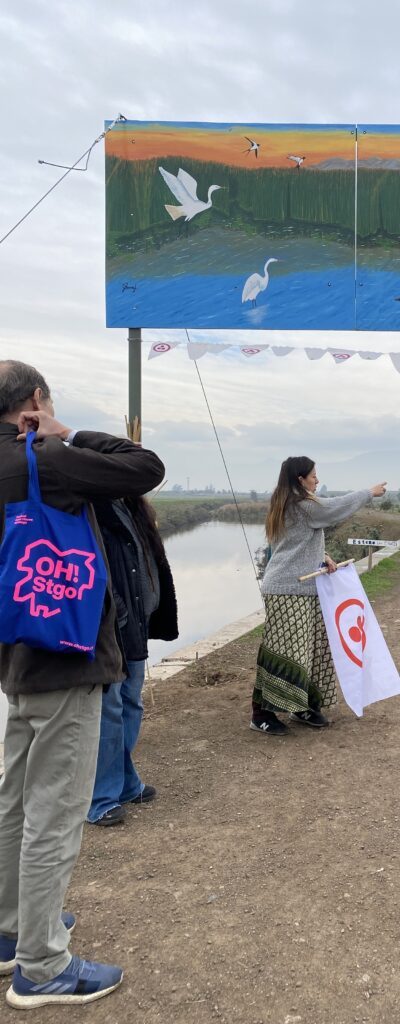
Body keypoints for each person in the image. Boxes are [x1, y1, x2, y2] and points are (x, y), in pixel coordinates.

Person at [0, 361, 164, 1008]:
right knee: (55, 814)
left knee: (14, 802)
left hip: (15, 660)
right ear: (34, 400)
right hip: (66, 657)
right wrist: (67, 432)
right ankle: (41, 967)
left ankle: (13, 930)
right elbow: (144, 467)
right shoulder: (48, 459)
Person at [251, 457, 386, 735]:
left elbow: (293, 542)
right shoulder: (301, 505)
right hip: (288, 589)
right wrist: (367, 493)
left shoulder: (289, 504)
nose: (317, 480)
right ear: (300, 479)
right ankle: (261, 713)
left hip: (305, 588)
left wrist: (321, 556)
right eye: (313, 476)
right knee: (284, 652)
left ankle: (301, 706)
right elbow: (333, 509)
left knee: (309, 650)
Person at [87, 496, 178, 826]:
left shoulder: (134, 507)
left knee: (130, 703)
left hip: (136, 625)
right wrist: (119, 613)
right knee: (109, 709)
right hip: (111, 626)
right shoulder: (93, 506)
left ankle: (124, 784)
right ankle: (99, 798)